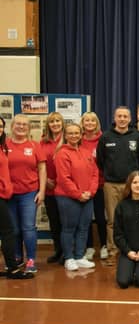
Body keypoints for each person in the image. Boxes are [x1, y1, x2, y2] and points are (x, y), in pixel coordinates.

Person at [97, 106, 139, 260]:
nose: (122, 119)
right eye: (119, 116)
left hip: (133, 186)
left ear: (130, 119)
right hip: (111, 185)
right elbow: (100, 161)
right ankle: (112, 251)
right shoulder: (106, 137)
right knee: (112, 220)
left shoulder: (136, 136)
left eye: (125, 116)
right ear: (114, 118)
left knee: (132, 218)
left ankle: (130, 249)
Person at [54, 123, 98, 271]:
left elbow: (94, 174)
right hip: (68, 198)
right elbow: (64, 179)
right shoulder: (62, 153)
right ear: (65, 136)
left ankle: (79, 256)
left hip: (87, 197)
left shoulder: (86, 152)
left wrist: (90, 192)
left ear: (81, 135)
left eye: (76, 133)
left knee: (84, 228)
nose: (74, 136)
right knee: (68, 228)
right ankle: (69, 258)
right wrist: (78, 194)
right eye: (70, 133)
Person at [7, 114, 46, 272]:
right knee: (14, 229)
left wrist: (42, 191)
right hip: (8, 194)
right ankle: (17, 256)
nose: (21, 127)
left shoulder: (35, 146)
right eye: (18, 124)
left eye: (24, 124)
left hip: (29, 193)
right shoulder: (4, 145)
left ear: (29, 127)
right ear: (12, 126)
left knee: (28, 227)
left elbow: (42, 168)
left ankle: (30, 259)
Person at [0, 117, 33, 279]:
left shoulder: (1, 146)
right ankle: (13, 269)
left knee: (8, 231)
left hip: (6, 196)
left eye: (0, 126)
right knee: (8, 231)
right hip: (2, 196)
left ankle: (12, 266)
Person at [80, 111, 107, 261]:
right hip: (83, 186)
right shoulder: (78, 140)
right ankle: (89, 247)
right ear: (82, 123)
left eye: (92, 121)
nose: (89, 123)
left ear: (97, 123)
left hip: (100, 184)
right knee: (86, 218)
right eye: (86, 121)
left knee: (101, 217)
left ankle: (103, 245)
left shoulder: (103, 139)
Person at [39, 111, 65, 264]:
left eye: (57, 121)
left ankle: (67, 252)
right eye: (52, 121)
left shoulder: (68, 139)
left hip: (64, 188)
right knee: (54, 222)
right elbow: (39, 163)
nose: (55, 124)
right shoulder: (43, 141)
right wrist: (45, 179)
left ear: (62, 123)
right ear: (48, 124)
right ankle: (58, 250)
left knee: (65, 223)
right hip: (49, 187)